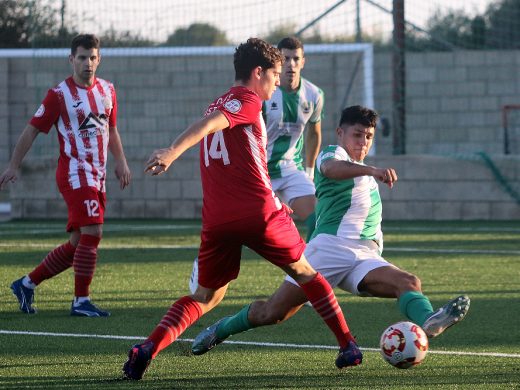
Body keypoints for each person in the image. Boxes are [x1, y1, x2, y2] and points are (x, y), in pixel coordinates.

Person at [122, 38, 361, 381]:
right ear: (258, 72)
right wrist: (172, 151)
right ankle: (348, 345)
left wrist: (276, 199)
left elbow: (237, 157)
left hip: (218, 220)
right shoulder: (246, 101)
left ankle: (146, 348)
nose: (278, 81)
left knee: (206, 296)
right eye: (275, 74)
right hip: (257, 214)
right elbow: (212, 125)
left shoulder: (216, 103)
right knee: (307, 273)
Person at [191, 105, 470, 357]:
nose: (362, 142)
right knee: (273, 312)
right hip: (329, 249)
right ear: (340, 132)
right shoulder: (334, 154)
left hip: (363, 256)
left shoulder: (361, 169)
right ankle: (222, 328)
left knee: (409, 282)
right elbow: (330, 168)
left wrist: (367, 172)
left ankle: (429, 322)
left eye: (368, 137)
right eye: (357, 135)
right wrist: (371, 170)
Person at [1, 34, 131, 317]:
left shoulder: (108, 90)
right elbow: (32, 129)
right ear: (71, 59)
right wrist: (13, 165)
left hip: (98, 176)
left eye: (92, 57)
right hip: (74, 174)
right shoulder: (59, 95)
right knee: (93, 232)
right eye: (82, 57)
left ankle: (26, 283)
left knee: (78, 244)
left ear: (99, 59)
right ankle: (81, 301)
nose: (88, 63)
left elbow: (111, 129)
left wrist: (120, 160)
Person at [188, 36, 323, 294]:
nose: (291, 65)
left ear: (303, 61)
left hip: (290, 169)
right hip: (257, 173)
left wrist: (308, 169)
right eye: (287, 59)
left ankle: (307, 275)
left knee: (317, 213)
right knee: (243, 227)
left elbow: (315, 134)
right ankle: (208, 266)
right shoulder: (258, 96)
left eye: (296, 59)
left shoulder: (314, 95)